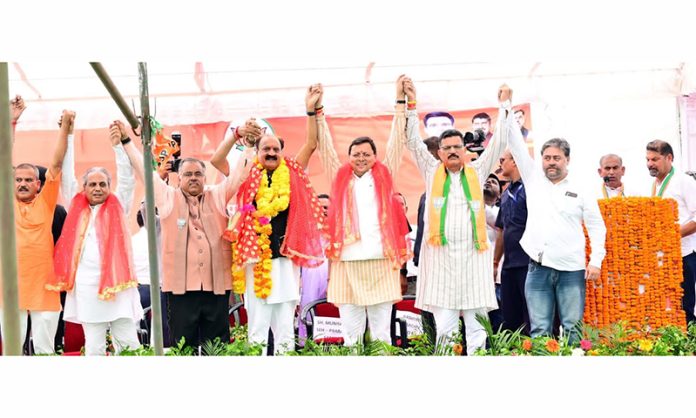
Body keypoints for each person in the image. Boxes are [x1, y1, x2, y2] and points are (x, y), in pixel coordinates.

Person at [404, 79, 513, 355]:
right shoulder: (431, 171)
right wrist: (410, 105)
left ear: (464, 151)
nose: (453, 151)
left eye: (457, 147)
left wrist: (504, 105)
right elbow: (412, 141)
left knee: (477, 330)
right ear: (439, 153)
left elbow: (499, 141)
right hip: (441, 264)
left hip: (474, 263)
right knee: (446, 331)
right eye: (447, 148)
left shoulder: (477, 171)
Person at [123, 128, 251, 351]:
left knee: (217, 347)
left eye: (198, 174)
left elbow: (240, 174)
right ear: (179, 178)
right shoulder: (167, 197)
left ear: (204, 177)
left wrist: (249, 145)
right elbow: (145, 172)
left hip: (216, 288)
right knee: (183, 347)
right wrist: (126, 141)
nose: (193, 178)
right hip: (180, 289)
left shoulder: (218, 195)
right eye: (188, 174)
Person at [225, 84, 327, 354]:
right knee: (257, 329)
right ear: (256, 154)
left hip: (285, 261)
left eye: (275, 150)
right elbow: (216, 162)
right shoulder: (246, 175)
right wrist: (241, 137)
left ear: (282, 153)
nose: (271, 153)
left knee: (284, 328)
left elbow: (311, 144)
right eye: (265, 150)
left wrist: (310, 109)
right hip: (255, 261)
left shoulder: (291, 172)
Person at [317, 76, 411, 346]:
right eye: (355, 154)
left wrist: (400, 101)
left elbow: (396, 142)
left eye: (366, 154)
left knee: (382, 334)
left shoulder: (385, 174)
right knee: (351, 336)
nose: (360, 158)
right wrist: (317, 111)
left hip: (381, 262)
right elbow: (325, 148)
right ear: (349, 157)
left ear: (374, 156)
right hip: (347, 264)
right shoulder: (340, 178)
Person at [47, 119, 143, 356]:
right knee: (94, 346)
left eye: (102, 184)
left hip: (118, 286)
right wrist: (68, 136)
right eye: (92, 184)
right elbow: (67, 176)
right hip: (87, 286)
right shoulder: (75, 206)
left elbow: (128, 179)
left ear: (109, 187)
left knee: (128, 343)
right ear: (84, 187)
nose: (98, 188)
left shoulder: (119, 204)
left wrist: (118, 146)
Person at [507, 126, 607, 344]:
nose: (551, 162)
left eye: (556, 158)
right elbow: (516, 144)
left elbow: (597, 226)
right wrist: (506, 107)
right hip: (537, 268)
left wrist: (596, 260)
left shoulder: (582, 188)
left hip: (571, 268)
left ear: (567, 160)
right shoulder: (533, 180)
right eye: (546, 157)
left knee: (572, 328)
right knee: (540, 329)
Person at [0, 109, 70, 355]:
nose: (22, 184)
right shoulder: (5, 206)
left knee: (44, 351)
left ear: (38, 184)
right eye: (18, 180)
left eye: (28, 180)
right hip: (10, 289)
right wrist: (12, 121)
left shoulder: (46, 203)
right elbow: (3, 155)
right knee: (12, 352)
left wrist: (65, 129)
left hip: (45, 289)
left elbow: (57, 163)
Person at [646, 140, 696, 324]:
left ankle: (690, 349)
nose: (650, 164)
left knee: (685, 307)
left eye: (655, 159)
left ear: (669, 158)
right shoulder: (654, 185)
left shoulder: (684, 181)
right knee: (669, 307)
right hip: (662, 256)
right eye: (648, 159)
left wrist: (673, 234)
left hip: (684, 255)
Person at [494, 150, 531, 334]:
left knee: (531, 315)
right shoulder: (506, 193)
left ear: (515, 161)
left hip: (529, 264)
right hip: (508, 266)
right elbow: (501, 230)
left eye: (503, 160)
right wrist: (495, 262)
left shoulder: (531, 189)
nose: (500, 164)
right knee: (510, 318)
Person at [297, 193, 330, 345]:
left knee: (329, 315)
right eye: (320, 207)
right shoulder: (304, 232)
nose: (324, 211)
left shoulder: (339, 233)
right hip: (309, 280)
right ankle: (306, 347)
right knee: (308, 314)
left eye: (327, 207)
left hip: (331, 278)